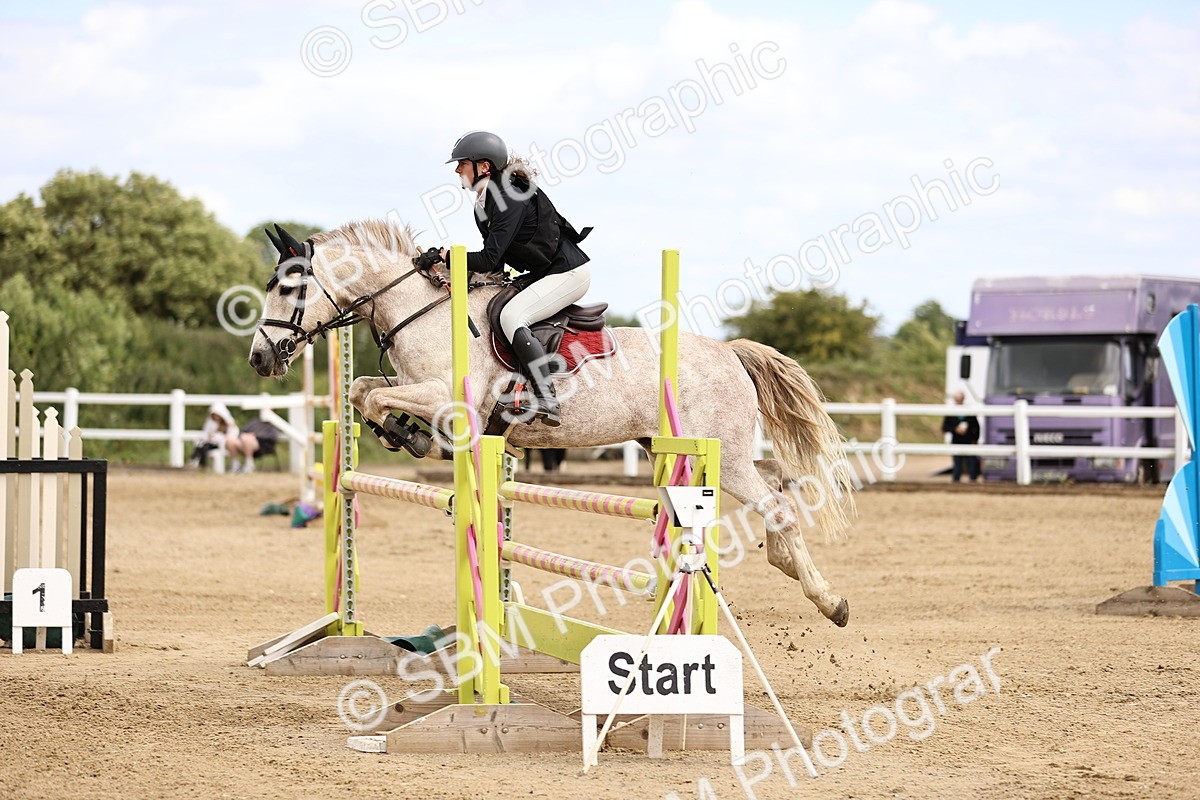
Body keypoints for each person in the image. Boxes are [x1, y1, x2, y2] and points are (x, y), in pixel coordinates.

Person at [427, 130, 592, 427]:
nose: (457, 170)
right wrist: (441, 268)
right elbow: (497, 265)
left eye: (462, 163)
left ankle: (546, 397)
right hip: (543, 273)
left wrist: (446, 255)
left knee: (512, 316)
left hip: (568, 273)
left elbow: (488, 258)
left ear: (484, 166)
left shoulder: (508, 197)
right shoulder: (483, 204)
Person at [942, 391, 981, 482]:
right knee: (957, 462)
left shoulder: (969, 412)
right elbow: (945, 427)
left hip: (969, 440)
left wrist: (975, 439)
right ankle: (956, 480)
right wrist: (955, 429)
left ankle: (973, 479)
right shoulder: (950, 413)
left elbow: (976, 426)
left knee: (972, 461)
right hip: (957, 440)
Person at [189, 402, 238, 469]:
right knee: (202, 446)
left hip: (222, 445)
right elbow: (205, 433)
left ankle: (198, 463)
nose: (215, 417)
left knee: (204, 447)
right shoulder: (210, 422)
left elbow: (232, 435)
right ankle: (198, 463)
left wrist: (219, 437)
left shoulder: (229, 423)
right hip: (210, 443)